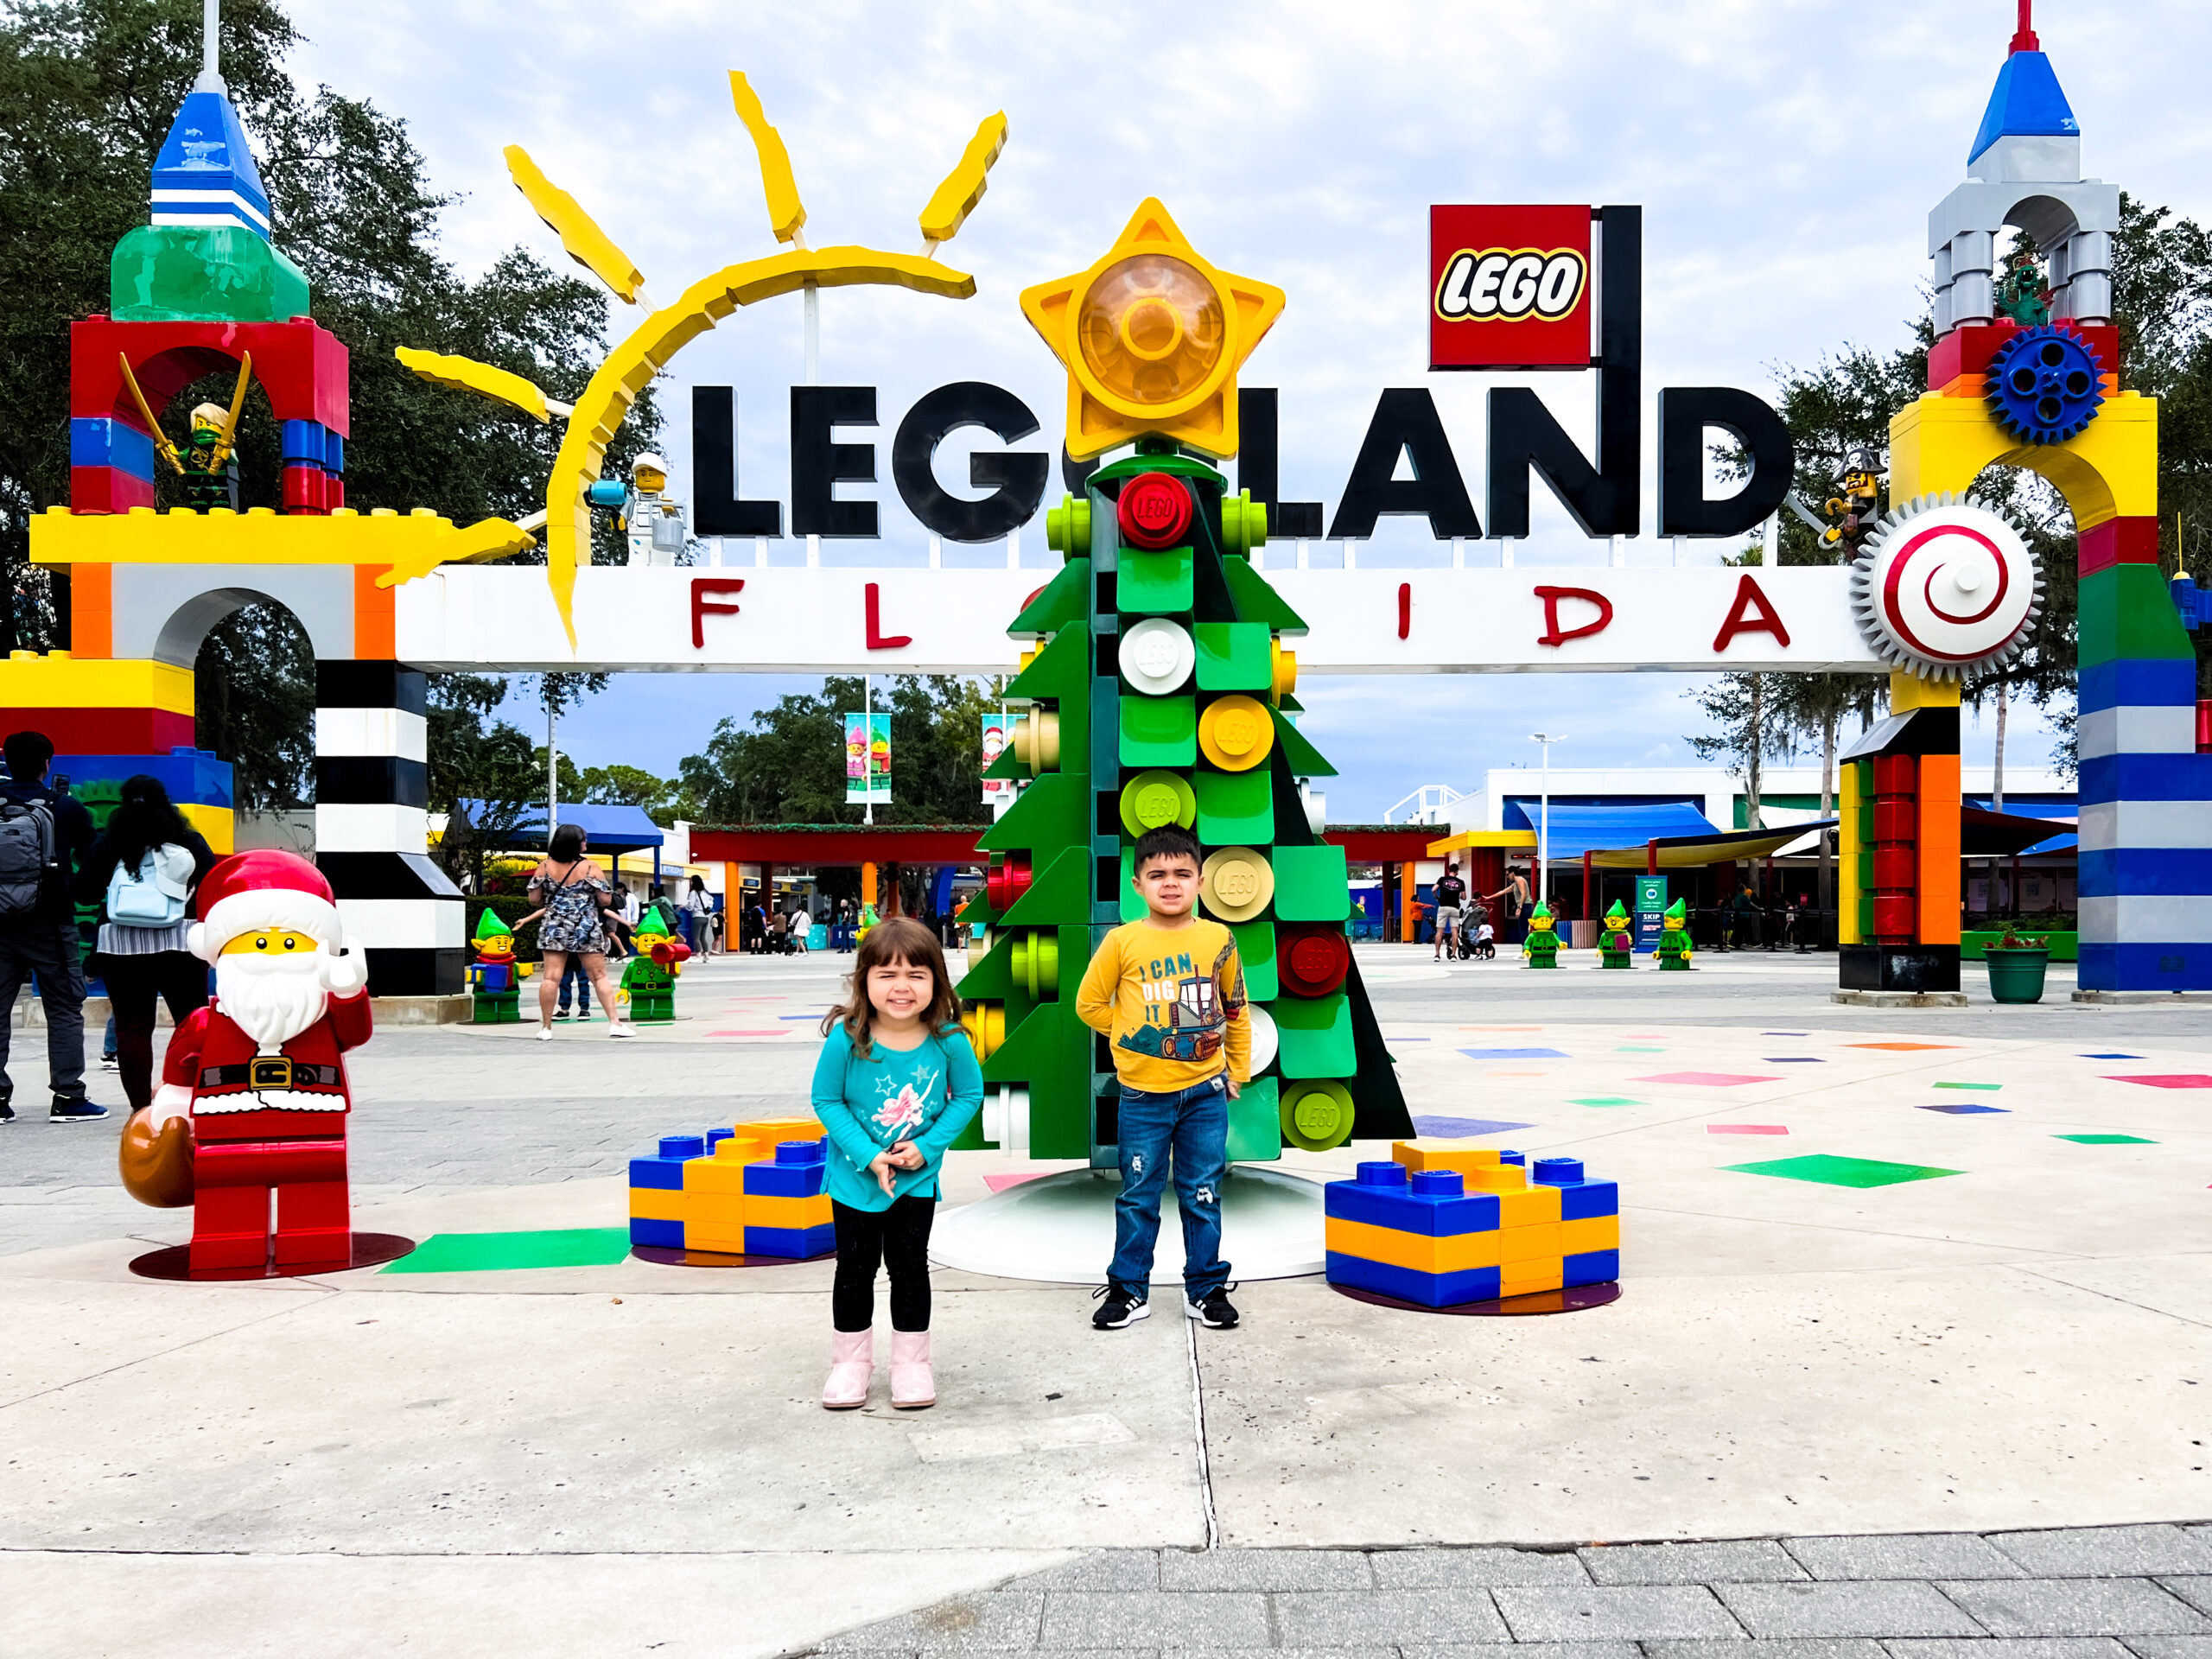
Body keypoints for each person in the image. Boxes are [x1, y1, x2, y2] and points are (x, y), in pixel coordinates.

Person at [1076, 824, 1249, 1334]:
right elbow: (1088, 1004)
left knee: (1202, 1192)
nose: (1169, 883)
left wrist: (1235, 1070)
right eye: (1157, 875)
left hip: (1205, 1094)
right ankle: (1128, 1290)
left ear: (1200, 880)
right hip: (1142, 1096)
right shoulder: (1121, 941)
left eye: (1181, 873)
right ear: (1137, 884)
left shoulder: (1218, 937)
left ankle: (1206, 1288)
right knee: (1137, 1194)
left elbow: (1235, 1009)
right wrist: (1135, 1037)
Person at [811, 916, 982, 1412]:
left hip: (915, 1182)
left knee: (909, 1269)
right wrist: (868, 1155)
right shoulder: (848, 1036)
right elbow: (827, 1100)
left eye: (916, 974)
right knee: (854, 1269)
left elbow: (968, 1095)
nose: (901, 986)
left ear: (937, 981)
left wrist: (926, 1148)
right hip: (853, 1179)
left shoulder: (949, 1038)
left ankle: (912, 1365)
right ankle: (850, 1365)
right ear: (864, 979)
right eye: (887, 974)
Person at [74, 775, 217, 1114]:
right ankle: (196, 1101)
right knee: (192, 1023)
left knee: (132, 1028)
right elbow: (215, 884)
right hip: (180, 943)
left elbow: (84, 892)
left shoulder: (109, 844)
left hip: (121, 944)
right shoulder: (189, 842)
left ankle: (141, 1110)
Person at [0, 730, 102, 1122]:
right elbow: (93, 854)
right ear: (47, 764)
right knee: (63, 1008)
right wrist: (72, 890)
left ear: (6, 761)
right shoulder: (64, 806)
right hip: (50, 921)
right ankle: (68, 1097)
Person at [526, 824, 629, 1039]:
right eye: (583, 840)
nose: (586, 843)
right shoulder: (591, 867)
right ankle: (615, 1024)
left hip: (555, 927)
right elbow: (605, 900)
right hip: (586, 927)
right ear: (574, 843)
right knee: (599, 976)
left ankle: (546, 1028)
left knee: (551, 977)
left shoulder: (544, 866)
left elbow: (534, 899)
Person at [1485, 863, 1533, 944]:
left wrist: (1519, 908)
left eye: (1508, 874)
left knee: (1523, 929)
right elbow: (1502, 892)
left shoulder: (1519, 879)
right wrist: (1488, 898)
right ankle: (1526, 950)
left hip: (1525, 906)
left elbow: (1524, 893)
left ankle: (1526, 951)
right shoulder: (1515, 884)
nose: (1508, 877)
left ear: (1512, 873)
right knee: (1523, 928)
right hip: (1525, 906)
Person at [1431, 861, 1467, 962]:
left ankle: (1437, 955)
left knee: (1440, 931)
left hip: (1443, 907)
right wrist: (1458, 895)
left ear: (1448, 870)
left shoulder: (1442, 879)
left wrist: (1437, 897)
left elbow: (1433, 889)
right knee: (1454, 931)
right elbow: (1464, 897)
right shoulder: (1461, 882)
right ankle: (1453, 955)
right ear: (1457, 872)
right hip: (1454, 908)